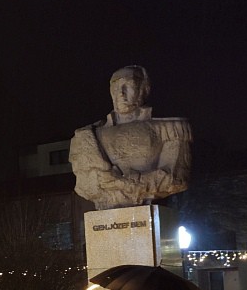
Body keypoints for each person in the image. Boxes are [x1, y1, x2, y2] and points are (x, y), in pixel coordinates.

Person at [69, 65, 193, 209]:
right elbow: (84, 186)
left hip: (148, 208)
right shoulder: (88, 137)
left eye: (128, 85)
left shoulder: (171, 128)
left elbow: (177, 178)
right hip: (107, 213)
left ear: (143, 89)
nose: (121, 93)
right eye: (115, 88)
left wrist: (126, 182)